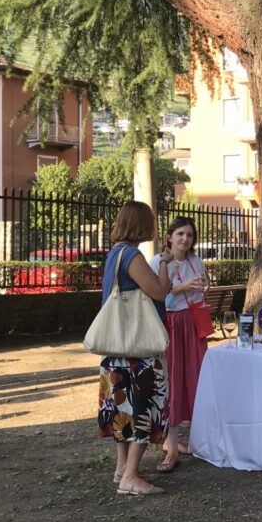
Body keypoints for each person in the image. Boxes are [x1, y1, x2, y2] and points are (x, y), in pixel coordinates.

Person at [96, 201, 173, 496]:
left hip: (117, 347)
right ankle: (131, 476)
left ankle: (120, 469)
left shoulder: (114, 254)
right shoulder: (132, 255)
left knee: (123, 409)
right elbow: (160, 291)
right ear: (142, 224)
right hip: (137, 351)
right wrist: (165, 261)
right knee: (143, 407)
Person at [150, 217, 209, 472]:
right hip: (171, 324)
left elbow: (201, 289)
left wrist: (202, 288)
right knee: (173, 380)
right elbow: (156, 293)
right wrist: (182, 286)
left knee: (196, 378)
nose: (186, 239)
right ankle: (171, 447)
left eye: (190, 235)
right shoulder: (158, 261)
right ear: (170, 236)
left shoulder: (196, 261)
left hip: (193, 322)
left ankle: (198, 438)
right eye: (181, 234)